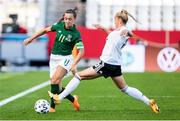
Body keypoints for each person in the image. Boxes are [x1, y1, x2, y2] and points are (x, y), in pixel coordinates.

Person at [48, 9, 160, 114]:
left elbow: (124, 31)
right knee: (125, 88)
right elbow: (114, 36)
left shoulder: (123, 30)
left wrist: (126, 32)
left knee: (78, 76)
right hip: (115, 65)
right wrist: (103, 28)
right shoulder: (116, 32)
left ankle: (59, 98)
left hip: (106, 64)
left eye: (115, 19)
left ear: (119, 20)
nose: (114, 21)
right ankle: (149, 101)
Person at [23, 7, 84, 113]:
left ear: (74, 20)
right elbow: (44, 30)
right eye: (65, 18)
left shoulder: (76, 34)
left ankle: (52, 108)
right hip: (54, 58)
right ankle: (73, 99)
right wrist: (30, 38)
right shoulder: (59, 25)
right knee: (56, 86)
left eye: (70, 19)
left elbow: (82, 51)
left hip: (66, 59)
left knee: (55, 79)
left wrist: (74, 64)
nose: (67, 21)